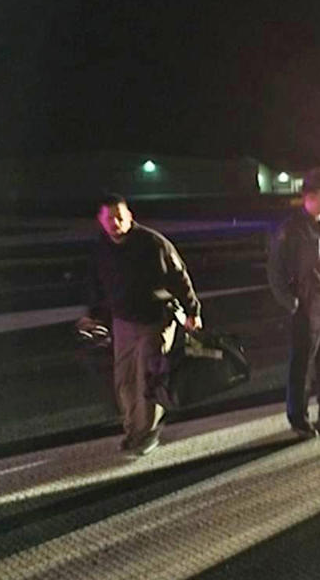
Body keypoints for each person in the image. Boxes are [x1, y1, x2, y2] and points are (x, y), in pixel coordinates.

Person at [81, 193, 202, 456]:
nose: (115, 222)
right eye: (109, 218)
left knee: (148, 379)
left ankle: (146, 433)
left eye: (120, 217)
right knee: (124, 380)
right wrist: (94, 315)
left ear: (130, 216)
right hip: (123, 322)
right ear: (100, 221)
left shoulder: (152, 243)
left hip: (155, 320)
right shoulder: (101, 248)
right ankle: (133, 430)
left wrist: (193, 311)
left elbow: (180, 276)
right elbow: (97, 284)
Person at [267, 167, 320, 438]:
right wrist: (291, 303)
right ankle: (298, 418)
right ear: (308, 197)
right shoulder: (291, 229)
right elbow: (275, 271)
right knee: (302, 365)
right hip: (306, 303)